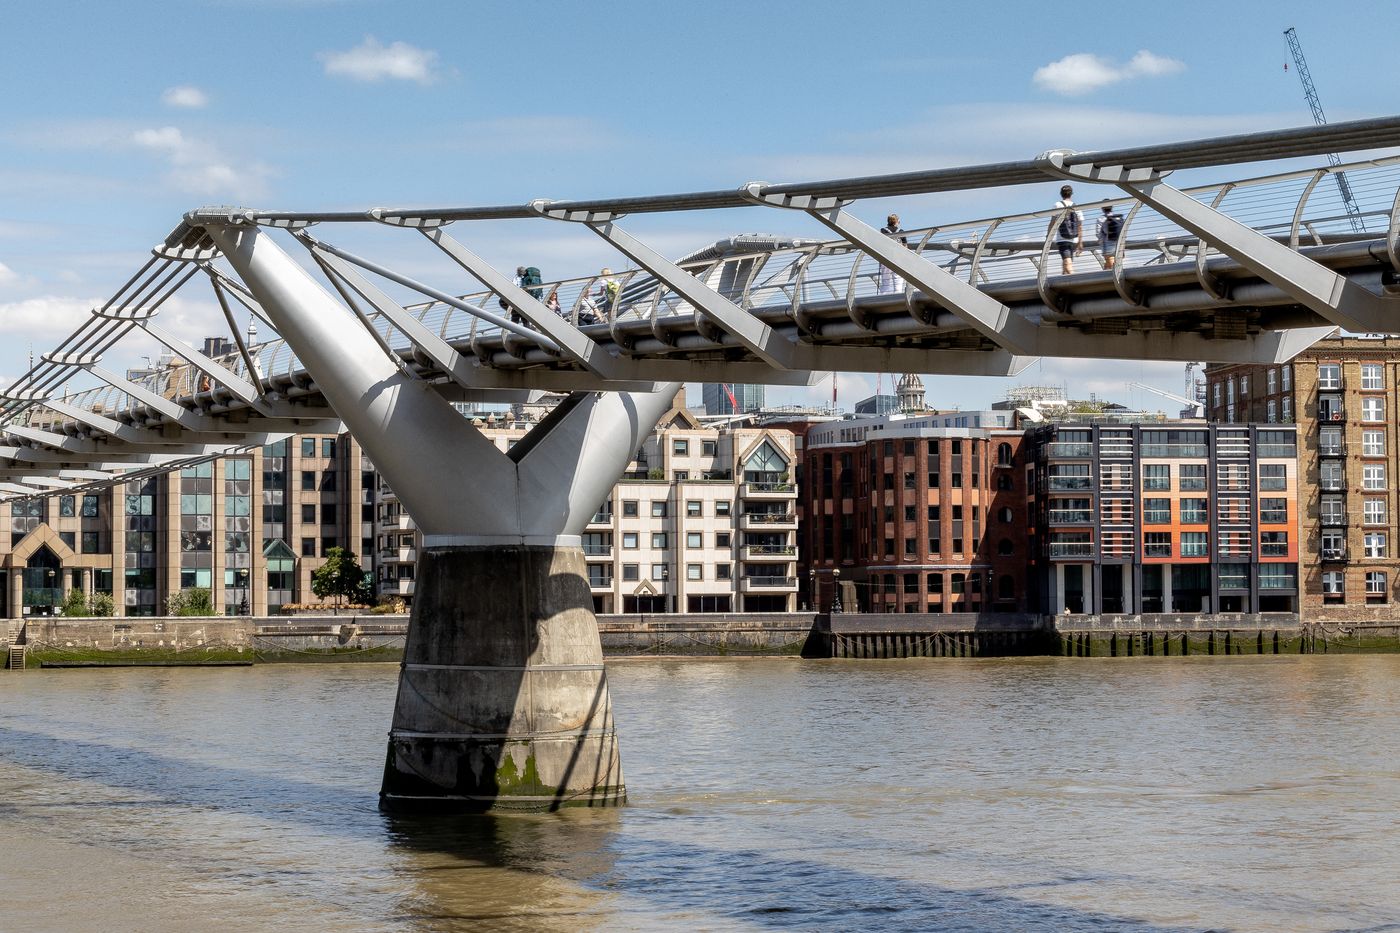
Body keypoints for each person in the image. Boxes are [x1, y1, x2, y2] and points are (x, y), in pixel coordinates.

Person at [1047, 184, 1083, 275]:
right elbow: (1080, 226)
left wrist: (1048, 237)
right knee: (1067, 262)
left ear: (1061, 194)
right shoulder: (1076, 206)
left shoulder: (1057, 205)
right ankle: (1064, 281)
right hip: (1074, 239)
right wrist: (1080, 242)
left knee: (1067, 263)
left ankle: (1075, 281)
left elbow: (1052, 222)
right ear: (1071, 194)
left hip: (1062, 239)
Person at [878, 213, 910, 294]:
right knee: (898, 282)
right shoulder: (901, 231)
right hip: (898, 259)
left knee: (885, 282)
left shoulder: (883, 230)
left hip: (886, 258)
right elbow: (905, 246)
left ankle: (883, 298)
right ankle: (898, 297)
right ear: (897, 222)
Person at [1096, 202, 1124, 270]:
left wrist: (1100, 241)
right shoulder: (1118, 218)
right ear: (1112, 208)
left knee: (1110, 262)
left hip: (1107, 243)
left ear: (1102, 208)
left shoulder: (1101, 219)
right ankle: (1106, 278)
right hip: (1119, 242)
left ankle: (1114, 277)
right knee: (1111, 263)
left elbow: (1098, 233)